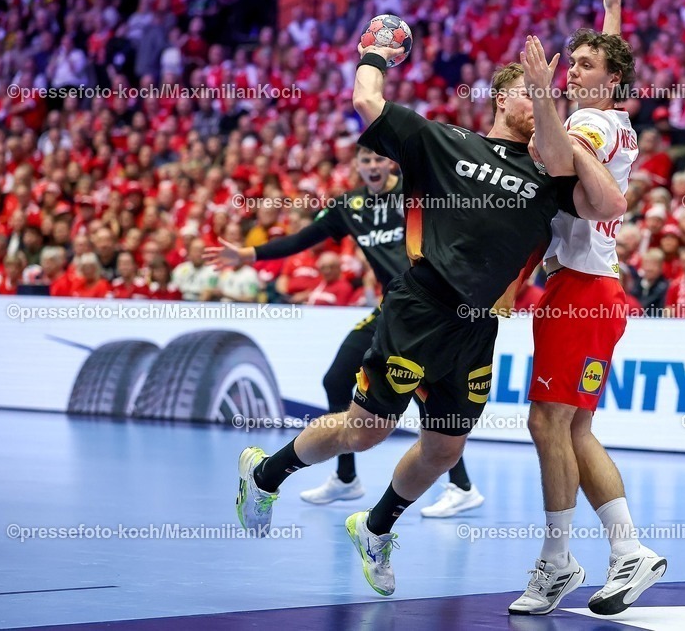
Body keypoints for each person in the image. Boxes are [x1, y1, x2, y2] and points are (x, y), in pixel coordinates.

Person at [234, 31, 625, 599]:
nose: (545, 103)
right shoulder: (443, 141)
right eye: (530, 92)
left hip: (477, 326)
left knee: (445, 448)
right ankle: (265, 473)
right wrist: (374, 53)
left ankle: (375, 527)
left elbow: (609, 202)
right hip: (420, 306)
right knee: (365, 432)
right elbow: (367, 99)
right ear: (500, 97)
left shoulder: (552, 179)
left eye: (552, 99)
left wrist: (579, 117)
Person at [207, 147, 483, 516]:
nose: (372, 166)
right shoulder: (349, 206)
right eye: (365, 160)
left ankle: (461, 486)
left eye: (378, 159)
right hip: (391, 311)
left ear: (390, 163)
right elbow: (303, 239)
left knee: (425, 390)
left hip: (430, 312)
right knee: (337, 380)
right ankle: (347, 479)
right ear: (357, 166)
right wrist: (249, 255)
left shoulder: (415, 195)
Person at [512, 0, 665, 617]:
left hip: (579, 291)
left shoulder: (591, 125)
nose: (573, 69)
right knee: (572, 430)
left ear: (612, 82)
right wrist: (612, 9)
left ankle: (558, 559)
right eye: (568, 61)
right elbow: (609, 69)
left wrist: (542, 96)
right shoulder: (616, 116)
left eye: (583, 64)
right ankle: (628, 550)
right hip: (594, 291)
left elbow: (556, 154)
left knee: (548, 420)